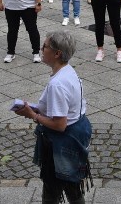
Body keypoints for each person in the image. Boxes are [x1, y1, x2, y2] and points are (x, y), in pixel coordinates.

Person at [12, 30, 92, 204]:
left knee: (52, 191)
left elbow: (60, 125)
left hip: (62, 142)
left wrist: (32, 114)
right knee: (72, 187)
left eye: (45, 46)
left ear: (57, 54)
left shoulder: (58, 84)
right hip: (76, 134)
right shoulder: (69, 71)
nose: (41, 49)